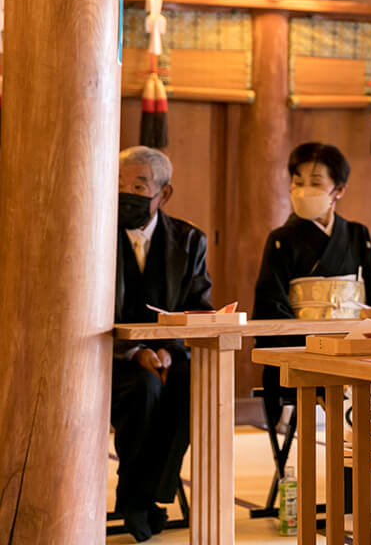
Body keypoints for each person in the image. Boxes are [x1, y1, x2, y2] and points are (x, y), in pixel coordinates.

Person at [252, 141, 371, 519]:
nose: (303, 190)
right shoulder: (280, 240)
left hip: (356, 348)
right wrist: (316, 346)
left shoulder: (358, 236)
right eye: (297, 181)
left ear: (338, 190)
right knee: (357, 392)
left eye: (315, 182)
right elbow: (270, 310)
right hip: (306, 352)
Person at [112, 146, 212, 542]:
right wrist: (135, 352)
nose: (126, 195)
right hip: (111, 360)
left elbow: (199, 308)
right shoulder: (96, 234)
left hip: (171, 356)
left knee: (193, 387)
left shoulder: (189, 240)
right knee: (145, 389)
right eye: (120, 185)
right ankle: (139, 499)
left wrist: (170, 349)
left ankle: (146, 493)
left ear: (163, 194)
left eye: (138, 187)